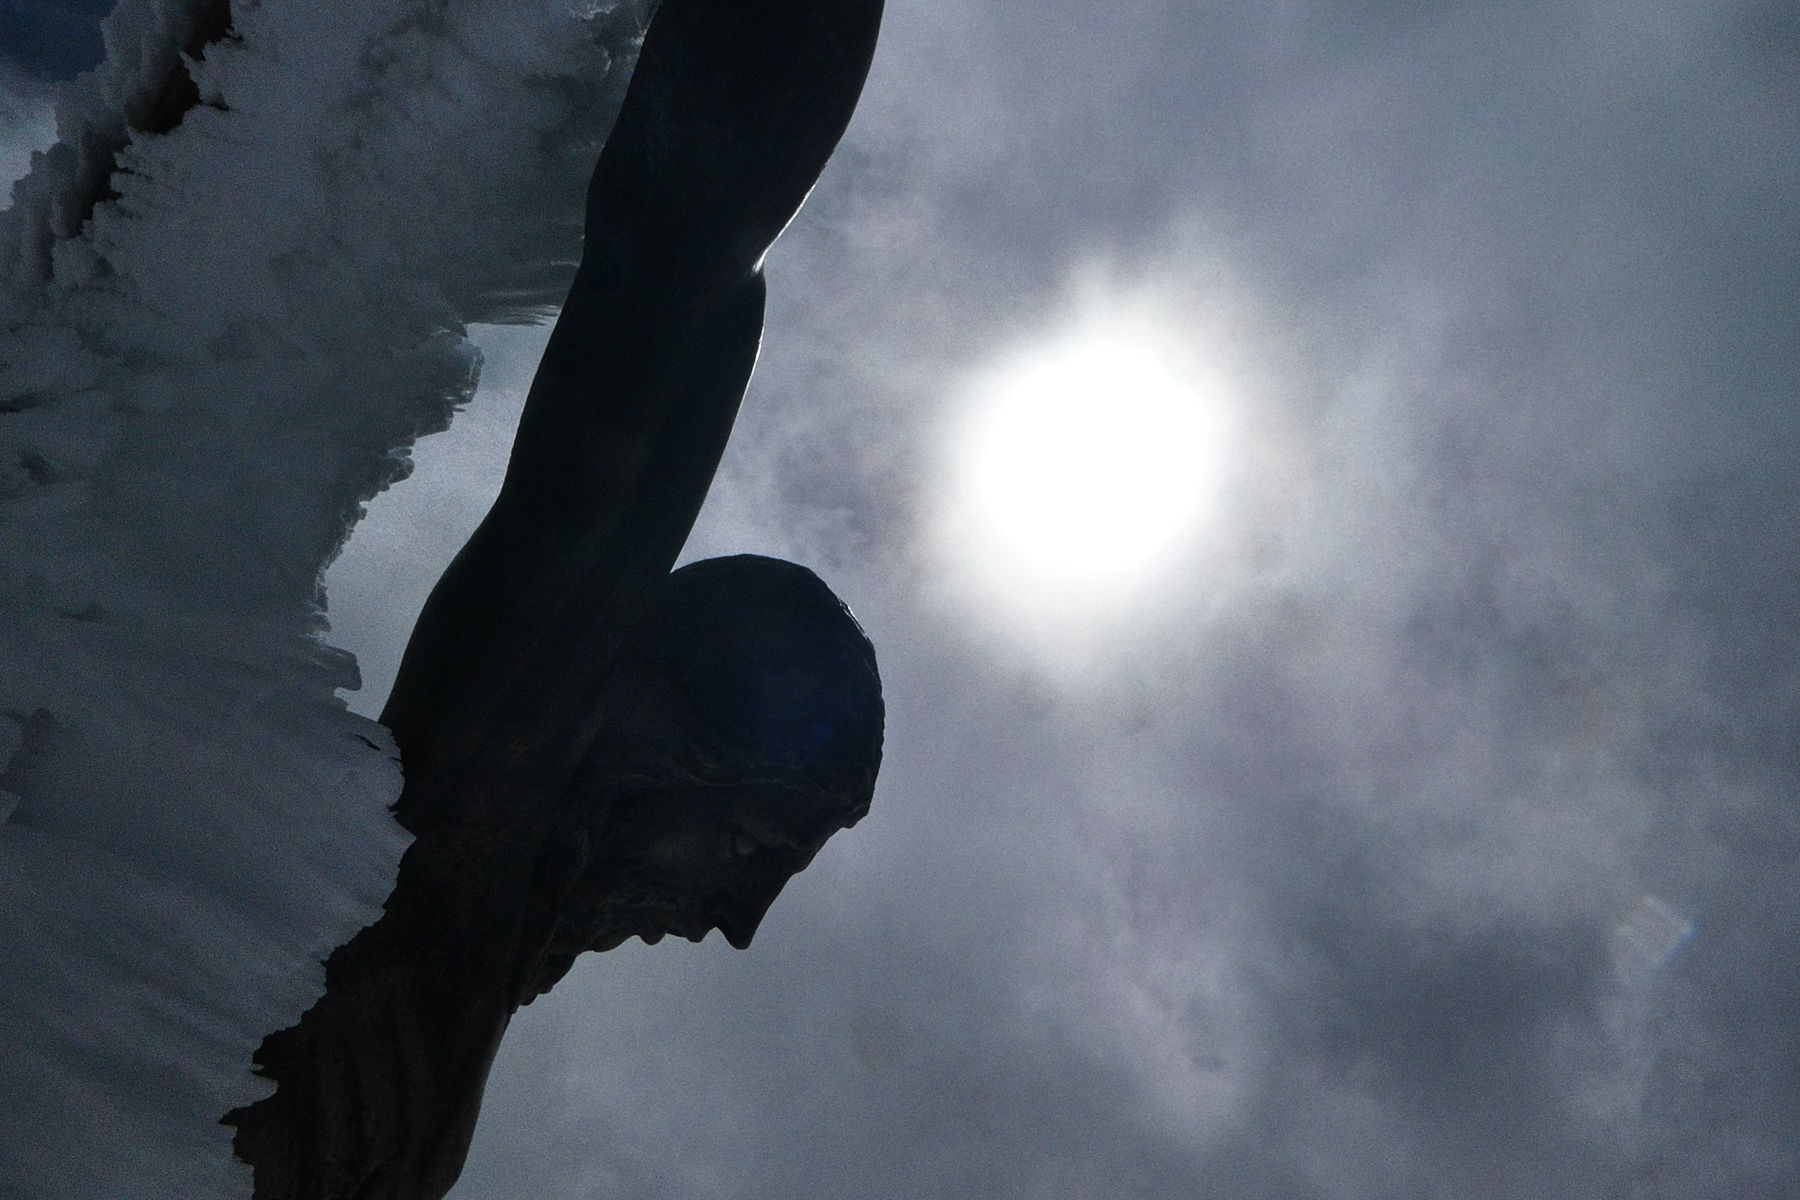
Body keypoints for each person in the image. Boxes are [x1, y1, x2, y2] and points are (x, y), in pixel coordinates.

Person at [225, 1, 886, 1195]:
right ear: (659, 733)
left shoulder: (472, 954)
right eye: (752, 844)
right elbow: (657, 312)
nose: (733, 922)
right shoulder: (464, 812)